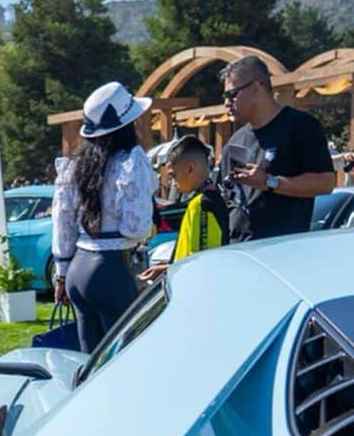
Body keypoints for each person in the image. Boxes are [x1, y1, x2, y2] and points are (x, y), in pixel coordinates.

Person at [51, 80, 158, 353]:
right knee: (124, 361)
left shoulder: (74, 167)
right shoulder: (130, 161)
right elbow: (136, 227)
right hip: (111, 269)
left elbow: (62, 224)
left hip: (77, 268)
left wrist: (61, 275)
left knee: (91, 365)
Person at [218, 55, 336, 242]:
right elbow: (227, 202)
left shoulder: (300, 126)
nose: (226, 103)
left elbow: (326, 183)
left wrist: (269, 182)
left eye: (231, 94)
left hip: (282, 253)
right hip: (239, 255)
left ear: (257, 87)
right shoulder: (234, 143)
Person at [141, 136, 229, 282]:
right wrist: (167, 268)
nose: (173, 183)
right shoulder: (210, 200)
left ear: (190, 168)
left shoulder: (203, 204)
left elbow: (204, 263)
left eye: (173, 176)